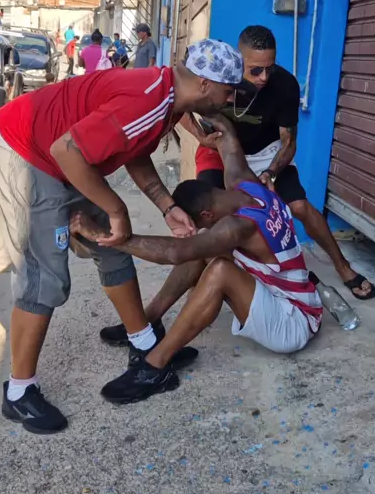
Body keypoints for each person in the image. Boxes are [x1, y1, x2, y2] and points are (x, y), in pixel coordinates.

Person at [0, 39, 245, 434]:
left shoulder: (168, 100)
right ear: (206, 84)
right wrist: (117, 209)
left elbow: (133, 148)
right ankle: (19, 392)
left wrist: (166, 205)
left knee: (113, 245)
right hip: (27, 150)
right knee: (45, 274)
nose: (230, 100)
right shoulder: (149, 100)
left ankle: (142, 342)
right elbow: (67, 151)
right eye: (229, 91)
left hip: (61, 152)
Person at [71, 112, 323, 404]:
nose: (199, 227)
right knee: (203, 248)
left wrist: (104, 235)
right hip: (285, 295)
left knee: (218, 269)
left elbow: (175, 253)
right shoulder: (244, 183)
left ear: (207, 214)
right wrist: (204, 115)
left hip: (294, 322)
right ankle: (149, 321)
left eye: (199, 223)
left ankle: (155, 367)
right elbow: (227, 134)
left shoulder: (237, 227)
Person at [180, 26, 375, 301]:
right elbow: (179, 106)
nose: (263, 77)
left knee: (299, 206)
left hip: (266, 153)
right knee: (208, 214)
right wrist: (201, 137)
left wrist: (271, 172)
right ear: (239, 60)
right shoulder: (217, 73)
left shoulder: (284, 84)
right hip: (219, 149)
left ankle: (343, 267)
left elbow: (288, 141)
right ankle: (210, 282)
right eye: (255, 70)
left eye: (269, 68)